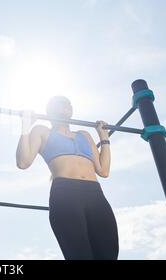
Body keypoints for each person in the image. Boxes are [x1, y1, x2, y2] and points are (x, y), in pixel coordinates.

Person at [15, 96, 119, 260]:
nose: (66, 106)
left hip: (95, 195)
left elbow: (103, 171)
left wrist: (104, 137)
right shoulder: (42, 131)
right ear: (50, 110)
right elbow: (23, 162)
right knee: (80, 255)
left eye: (68, 103)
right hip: (65, 194)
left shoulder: (84, 134)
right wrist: (26, 127)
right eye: (60, 103)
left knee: (108, 254)